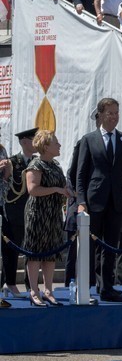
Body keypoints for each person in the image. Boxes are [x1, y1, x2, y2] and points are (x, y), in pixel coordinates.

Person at [75, 98, 122, 303]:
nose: (114, 117)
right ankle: (85, 287)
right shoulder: (89, 139)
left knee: (110, 246)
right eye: (110, 113)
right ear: (101, 115)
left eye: (116, 113)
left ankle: (107, 287)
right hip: (94, 200)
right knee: (90, 246)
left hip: (117, 201)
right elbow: (81, 173)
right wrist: (81, 201)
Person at [20, 130, 68, 308]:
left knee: (50, 252)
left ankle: (48, 290)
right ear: (46, 146)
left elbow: (62, 186)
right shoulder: (36, 164)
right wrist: (56, 189)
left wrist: (68, 192)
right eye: (56, 142)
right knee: (35, 253)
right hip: (37, 214)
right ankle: (34, 290)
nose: (59, 145)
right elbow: (33, 190)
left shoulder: (55, 164)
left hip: (53, 214)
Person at [3, 129, 34, 297]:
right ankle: (10, 283)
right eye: (32, 139)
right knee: (11, 250)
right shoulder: (12, 162)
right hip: (14, 213)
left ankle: (31, 284)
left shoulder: (38, 162)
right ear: (23, 142)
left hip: (33, 212)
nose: (36, 142)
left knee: (32, 250)